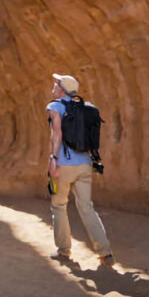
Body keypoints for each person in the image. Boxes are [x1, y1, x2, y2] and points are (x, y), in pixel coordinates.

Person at [47, 73, 114, 266]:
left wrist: (53, 158)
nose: (54, 84)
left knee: (59, 206)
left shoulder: (55, 106)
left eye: (57, 82)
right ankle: (105, 251)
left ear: (62, 89)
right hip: (85, 165)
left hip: (64, 165)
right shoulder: (86, 109)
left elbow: (57, 133)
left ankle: (63, 251)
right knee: (86, 208)